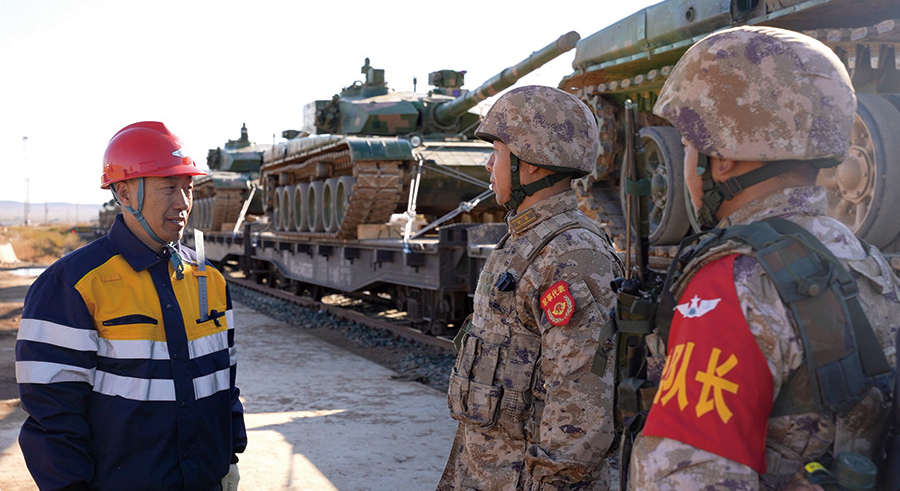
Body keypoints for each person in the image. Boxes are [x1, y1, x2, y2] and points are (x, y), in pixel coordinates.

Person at [628, 26, 900, 488]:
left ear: (725, 158)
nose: (687, 163)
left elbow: (681, 476)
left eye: (691, 147)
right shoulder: (868, 262)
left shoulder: (734, 282)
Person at [16, 121, 247, 491]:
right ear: (124, 194)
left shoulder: (208, 279)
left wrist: (230, 456)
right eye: (169, 187)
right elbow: (52, 410)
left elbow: (225, 378)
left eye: (188, 188)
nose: (183, 203)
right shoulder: (72, 284)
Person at [437, 85, 623, 491]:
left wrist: (553, 481)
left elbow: (582, 400)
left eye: (498, 152)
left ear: (533, 165)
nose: (489, 165)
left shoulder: (571, 255)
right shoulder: (526, 240)